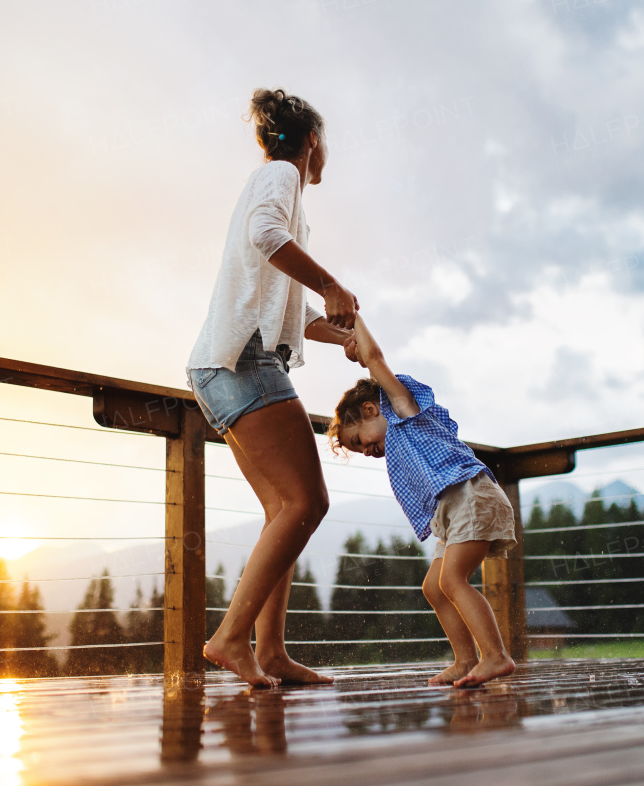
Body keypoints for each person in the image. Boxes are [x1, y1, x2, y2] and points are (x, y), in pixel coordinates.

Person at [187, 87, 358, 687]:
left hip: (225, 365)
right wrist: (334, 284)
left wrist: (344, 334)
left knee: (284, 510)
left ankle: (270, 652)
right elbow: (265, 236)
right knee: (306, 502)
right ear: (311, 141)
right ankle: (230, 639)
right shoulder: (280, 176)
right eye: (325, 141)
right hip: (242, 364)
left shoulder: (279, 190)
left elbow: (283, 307)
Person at [329, 316, 518, 687]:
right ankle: (465, 661)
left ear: (370, 410)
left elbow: (376, 358)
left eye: (359, 441)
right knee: (434, 586)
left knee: (453, 580)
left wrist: (354, 320)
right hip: (450, 510)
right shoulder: (393, 433)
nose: (367, 451)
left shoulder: (404, 412)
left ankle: (496, 656)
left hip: (471, 495)